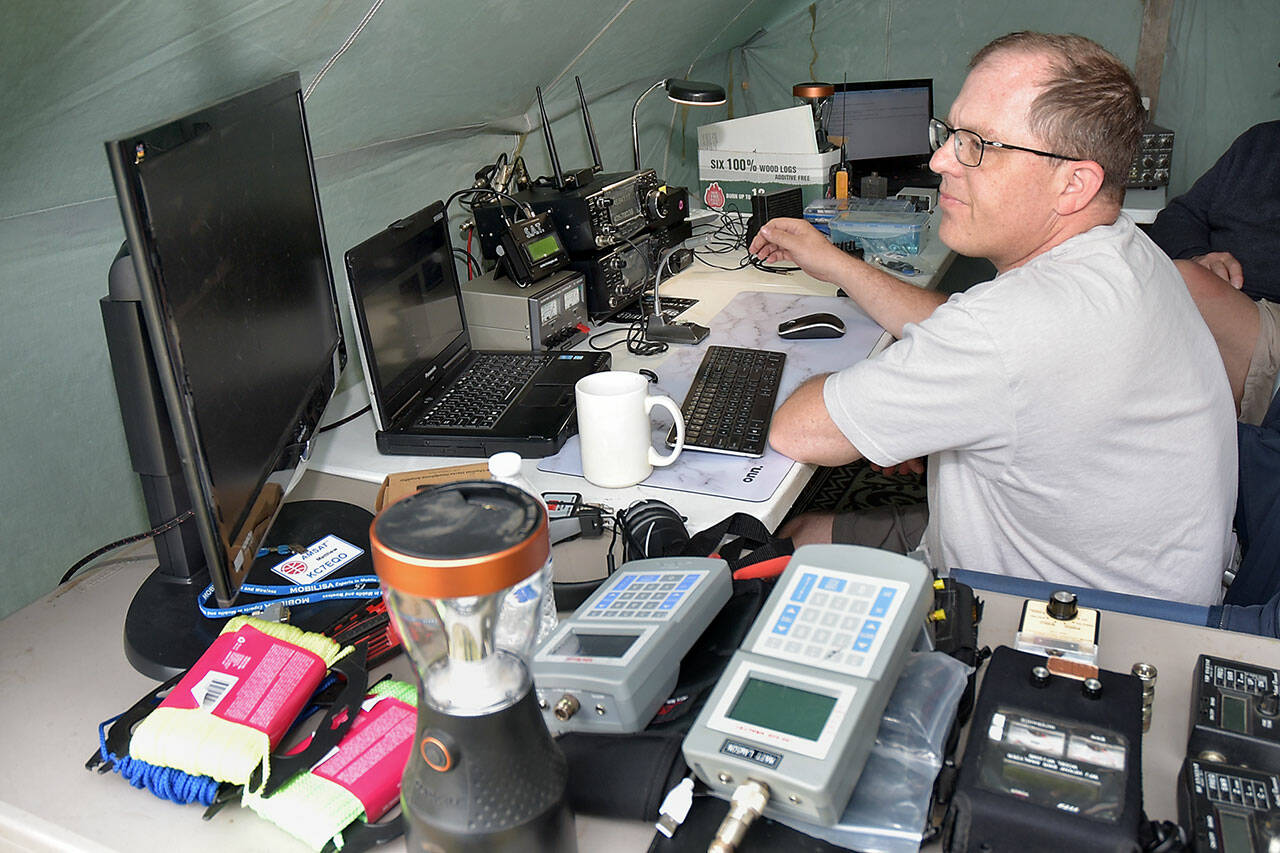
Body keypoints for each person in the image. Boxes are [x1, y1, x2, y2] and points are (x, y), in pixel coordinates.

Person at [750, 32, 1236, 606]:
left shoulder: (1013, 327)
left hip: (1066, 627)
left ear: (1074, 183)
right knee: (809, 530)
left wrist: (873, 398)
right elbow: (963, 325)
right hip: (1126, 571)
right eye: (951, 133)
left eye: (978, 145)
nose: (939, 161)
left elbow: (798, 429)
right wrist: (833, 262)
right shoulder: (1124, 250)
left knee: (777, 549)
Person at [1148, 120, 1280, 425]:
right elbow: (1180, 215)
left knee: (1184, 285)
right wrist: (1199, 256)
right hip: (1213, 294)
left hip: (1266, 318)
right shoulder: (1260, 142)